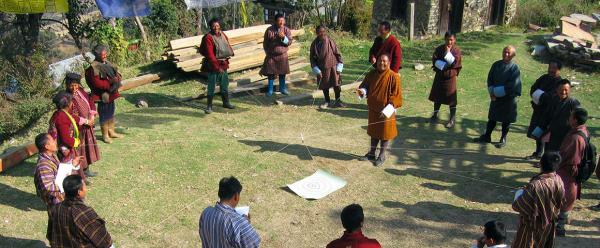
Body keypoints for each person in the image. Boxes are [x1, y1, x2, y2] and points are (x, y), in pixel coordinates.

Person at [357, 54, 403, 166]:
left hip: (386, 111)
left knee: (385, 134)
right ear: (376, 62)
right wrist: (362, 91)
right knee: (374, 132)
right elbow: (365, 86)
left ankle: (382, 155)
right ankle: (372, 153)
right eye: (379, 61)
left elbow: (396, 96)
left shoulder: (394, 76)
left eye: (384, 61)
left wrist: (387, 110)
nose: (382, 63)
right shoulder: (371, 74)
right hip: (373, 108)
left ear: (389, 62)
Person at [512, 152, 565, 247]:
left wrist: (519, 193)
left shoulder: (536, 185)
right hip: (548, 225)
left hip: (532, 228)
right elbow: (561, 201)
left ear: (541, 164)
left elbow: (518, 206)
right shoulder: (558, 179)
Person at [474, 46, 522, 148]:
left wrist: (499, 92)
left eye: (508, 53)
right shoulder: (496, 65)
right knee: (492, 117)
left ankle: (503, 138)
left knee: (506, 119)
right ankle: (487, 136)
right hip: (495, 97)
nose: (506, 54)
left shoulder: (514, 68)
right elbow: (490, 78)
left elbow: (513, 84)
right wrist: (492, 92)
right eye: (504, 51)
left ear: (513, 55)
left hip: (508, 98)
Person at [48, 175, 114, 248]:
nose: (86, 189)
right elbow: (104, 242)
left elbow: (50, 235)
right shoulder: (84, 213)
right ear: (79, 192)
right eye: (84, 186)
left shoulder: (55, 208)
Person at [199, 176, 260, 248]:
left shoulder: (206, 213)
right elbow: (254, 244)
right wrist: (245, 224)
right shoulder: (238, 222)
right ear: (236, 196)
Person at [556, 108, 589, 236]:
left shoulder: (576, 137)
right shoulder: (582, 131)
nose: (569, 118)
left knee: (566, 198)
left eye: (571, 117)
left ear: (575, 120)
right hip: (569, 171)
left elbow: (571, 158)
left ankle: (560, 227)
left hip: (568, 172)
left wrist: (556, 162)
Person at [85, 44, 124, 144]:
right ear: (97, 55)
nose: (105, 56)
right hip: (102, 95)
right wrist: (111, 83)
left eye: (106, 54)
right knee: (104, 115)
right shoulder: (93, 68)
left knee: (111, 113)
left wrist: (118, 79)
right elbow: (97, 84)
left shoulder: (107, 63)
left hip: (111, 93)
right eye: (103, 54)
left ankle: (111, 131)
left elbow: (115, 73)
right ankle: (105, 135)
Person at [526, 61, 563, 160]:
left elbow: (550, 97)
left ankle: (546, 158)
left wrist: (540, 96)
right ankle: (538, 153)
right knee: (537, 133)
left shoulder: (560, 83)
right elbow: (533, 88)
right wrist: (537, 96)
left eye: (554, 68)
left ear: (559, 69)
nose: (551, 70)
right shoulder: (544, 77)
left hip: (549, 113)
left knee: (546, 136)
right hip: (538, 110)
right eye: (550, 67)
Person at [65, 73, 100, 177]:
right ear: (67, 85)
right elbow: (70, 114)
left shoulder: (81, 91)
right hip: (78, 128)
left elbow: (90, 101)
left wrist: (92, 115)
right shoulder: (67, 97)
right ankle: (80, 172)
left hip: (88, 125)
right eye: (72, 85)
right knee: (80, 150)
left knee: (88, 148)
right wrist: (85, 121)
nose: (74, 88)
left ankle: (87, 169)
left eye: (76, 85)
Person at [531, 79, 580, 152]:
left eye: (566, 90)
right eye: (561, 90)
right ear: (556, 89)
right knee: (548, 153)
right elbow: (546, 117)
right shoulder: (553, 100)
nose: (563, 92)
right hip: (552, 133)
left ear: (570, 90)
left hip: (566, 135)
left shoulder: (573, 103)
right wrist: (538, 131)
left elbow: (578, 120)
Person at [48, 91, 87, 182]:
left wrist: (85, 121)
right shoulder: (62, 117)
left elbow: (73, 117)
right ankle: (71, 186)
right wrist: (76, 142)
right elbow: (65, 138)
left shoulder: (60, 113)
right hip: (64, 148)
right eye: (71, 101)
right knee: (68, 168)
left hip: (65, 146)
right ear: (68, 104)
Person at [199, 17, 235, 114]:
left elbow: (227, 45)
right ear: (210, 27)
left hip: (223, 64)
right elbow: (210, 55)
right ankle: (209, 106)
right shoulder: (208, 38)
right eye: (214, 26)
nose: (216, 27)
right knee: (211, 86)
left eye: (217, 25)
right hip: (212, 66)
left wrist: (230, 53)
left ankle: (226, 102)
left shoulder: (223, 34)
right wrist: (217, 67)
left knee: (224, 84)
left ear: (220, 26)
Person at [428, 32, 462, 128]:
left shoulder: (456, 50)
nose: (449, 42)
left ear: (454, 40)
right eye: (447, 39)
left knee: (451, 98)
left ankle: (452, 119)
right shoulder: (439, 49)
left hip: (450, 77)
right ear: (445, 39)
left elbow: (455, 63)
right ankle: (435, 115)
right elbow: (434, 60)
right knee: (437, 96)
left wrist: (447, 54)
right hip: (440, 75)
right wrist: (442, 65)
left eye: (451, 40)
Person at [310, 24, 345, 109]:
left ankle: (338, 100)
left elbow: (338, 53)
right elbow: (312, 59)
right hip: (322, 68)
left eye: (323, 32)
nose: (321, 34)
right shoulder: (314, 44)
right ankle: (327, 101)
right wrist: (316, 70)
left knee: (336, 84)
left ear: (325, 32)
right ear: (316, 33)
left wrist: (339, 65)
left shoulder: (330, 41)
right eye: (319, 32)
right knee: (324, 85)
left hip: (333, 65)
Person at [260, 13, 292, 97]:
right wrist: (267, 52)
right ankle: (270, 90)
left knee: (282, 73)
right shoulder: (269, 30)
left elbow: (289, 42)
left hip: (282, 55)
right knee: (270, 73)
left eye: (282, 20)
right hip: (272, 55)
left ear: (284, 21)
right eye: (279, 21)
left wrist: (283, 38)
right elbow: (265, 43)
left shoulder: (286, 30)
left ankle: (282, 88)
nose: (281, 22)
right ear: (275, 21)